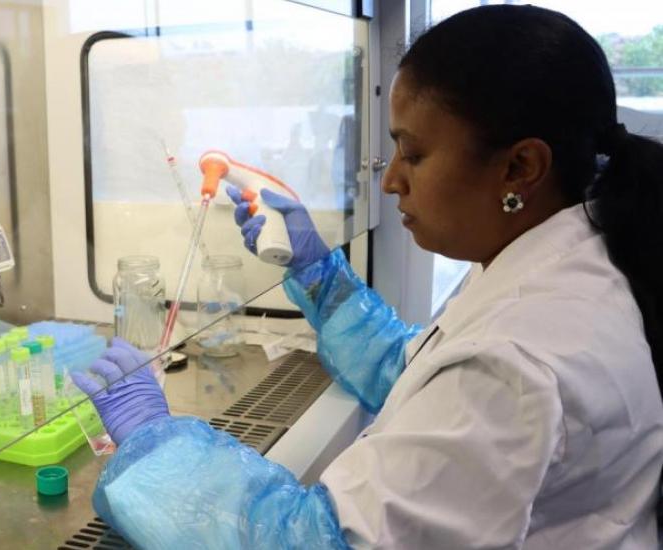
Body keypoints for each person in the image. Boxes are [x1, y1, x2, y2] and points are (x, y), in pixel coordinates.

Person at [73, 5, 663, 548]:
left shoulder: (517, 359)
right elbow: (416, 374)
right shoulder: (565, 256)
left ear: (520, 166)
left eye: (413, 154)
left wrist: (155, 444)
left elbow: (317, 542)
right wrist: (319, 278)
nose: (390, 181)